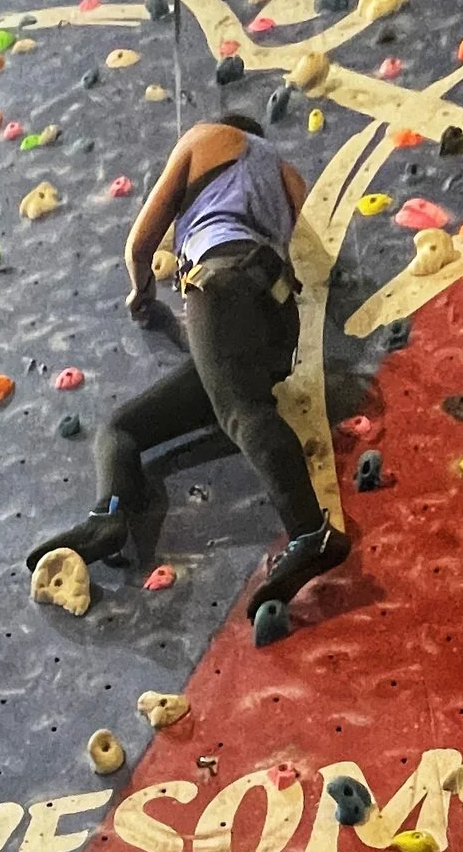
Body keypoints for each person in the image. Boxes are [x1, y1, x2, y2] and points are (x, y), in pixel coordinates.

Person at [28, 107, 348, 615]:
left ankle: (312, 533)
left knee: (243, 414)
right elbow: (306, 259)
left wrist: (141, 293)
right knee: (123, 429)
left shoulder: (204, 137)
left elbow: (141, 240)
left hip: (220, 280)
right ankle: (108, 515)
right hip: (277, 320)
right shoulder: (289, 176)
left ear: (226, 127)